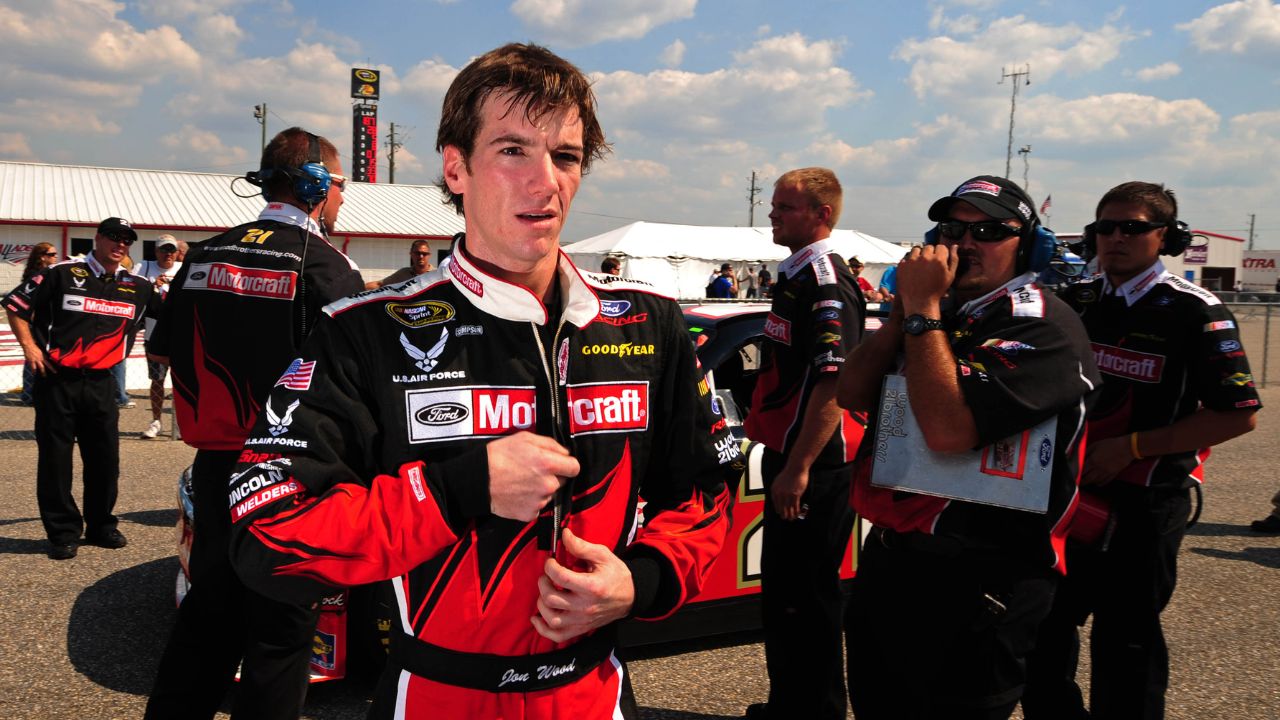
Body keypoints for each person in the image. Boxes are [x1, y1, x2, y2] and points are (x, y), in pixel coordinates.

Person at [225, 43, 740, 720]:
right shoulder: (367, 333)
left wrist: (642, 581)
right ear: (455, 167)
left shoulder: (650, 325)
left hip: (597, 694)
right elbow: (264, 536)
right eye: (512, 150)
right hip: (435, 695)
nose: (545, 182)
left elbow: (706, 492)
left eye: (565, 156)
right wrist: (452, 490)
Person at [836, 175, 1100, 720]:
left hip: (985, 576)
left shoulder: (1042, 323)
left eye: (989, 230)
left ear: (1027, 246)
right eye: (954, 228)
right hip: (897, 561)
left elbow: (949, 431)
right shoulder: (937, 314)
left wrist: (923, 311)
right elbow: (851, 391)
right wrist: (907, 309)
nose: (966, 242)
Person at [143, 128, 366, 720]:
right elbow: (347, 384)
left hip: (216, 469)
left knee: (206, 623)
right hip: (289, 477)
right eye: (342, 184)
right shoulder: (325, 265)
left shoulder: (202, 253)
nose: (344, 198)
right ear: (318, 184)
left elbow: (162, 348)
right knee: (280, 641)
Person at [1022, 181, 1260, 720]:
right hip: (1065, 495)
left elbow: (1238, 413)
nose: (1116, 238)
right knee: (1042, 630)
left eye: (1132, 227)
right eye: (1105, 227)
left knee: (1126, 648)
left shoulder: (1195, 311)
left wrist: (1130, 448)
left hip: (1144, 508)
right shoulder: (1073, 301)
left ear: (1168, 237)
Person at [742, 168, 864, 720]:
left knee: (808, 599)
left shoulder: (825, 281)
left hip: (814, 464)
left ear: (823, 216)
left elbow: (833, 383)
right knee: (785, 597)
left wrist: (799, 467)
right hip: (789, 456)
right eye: (774, 205)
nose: (772, 214)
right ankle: (789, 703)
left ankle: (816, 711)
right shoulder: (793, 275)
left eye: (785, 208)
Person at [3, 217, 157, 560]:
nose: (121, 244)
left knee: (105, 460)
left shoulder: (139, 286)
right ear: (98, 238)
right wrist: (30, 348)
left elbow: (173, 315)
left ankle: (102, 525)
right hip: (57, 381)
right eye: (114, 237)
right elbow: (15, 307)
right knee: (56, 462)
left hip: (103, 383)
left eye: (127, 240)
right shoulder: (60, 273)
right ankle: (62, 533)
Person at [133, 235, 185, 439]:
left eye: (172, 250)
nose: (168, 254)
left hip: (180, 333)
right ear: (156, 252)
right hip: (154, 334)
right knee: (157, 380)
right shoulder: (144, 267)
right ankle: (156, 421)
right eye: (164, 250)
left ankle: (180, 423)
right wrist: (151, 284)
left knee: (181, 381)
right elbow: (133, 289)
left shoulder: (184, 268)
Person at [16, 242, 59, 405]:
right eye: (52, 254)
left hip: (39, 321)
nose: (55, 257)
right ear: (42, 257)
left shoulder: (45, 273)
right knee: (33, 356)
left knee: (37, 357)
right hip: (35, 322)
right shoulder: (38, 275)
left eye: (55, 254)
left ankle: (30, 392)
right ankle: (29, 393)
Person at [365, 239, 434, 290]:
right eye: (417, 253)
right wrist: (357, 288)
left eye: (424, 254)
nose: (421, 256)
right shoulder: (403, 273)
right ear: (411, 254)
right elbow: (379, 284)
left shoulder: (437, 274)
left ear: (429, 255)